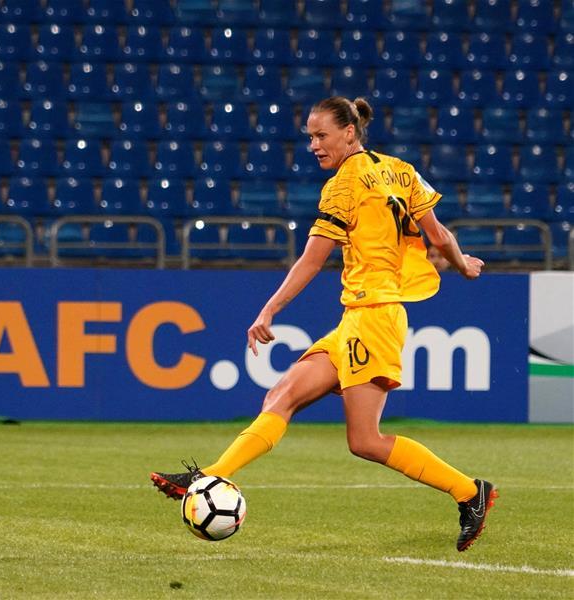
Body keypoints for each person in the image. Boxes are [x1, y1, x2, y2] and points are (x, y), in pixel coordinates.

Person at [150, 97, 497, 552]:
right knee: (282, 395)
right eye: (309, 137)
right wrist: (462, 264)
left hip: (373, 317)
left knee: (366, 441)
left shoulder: (343, 185)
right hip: (362, 316)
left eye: (321, 135)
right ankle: (211, 476)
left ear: (349, 132)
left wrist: (269, 310)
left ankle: (471, 493)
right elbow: (439, 235)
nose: (313, 145)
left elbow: (312, 260)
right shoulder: (401, 170)